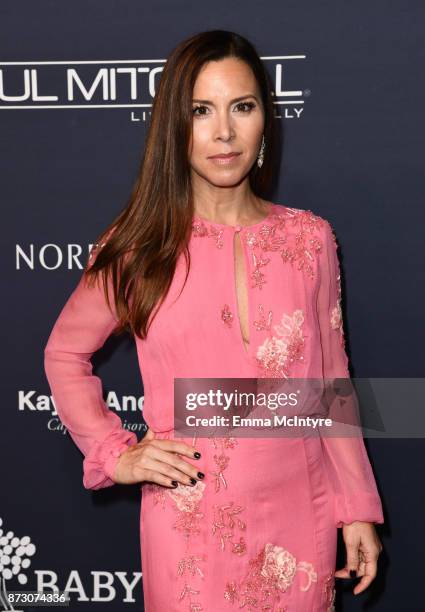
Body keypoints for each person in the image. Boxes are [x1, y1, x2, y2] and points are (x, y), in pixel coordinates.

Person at [44, 30, 384, 611]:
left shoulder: (309, 238)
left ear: (265, 123)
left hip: (301, 519)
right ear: (174, 126)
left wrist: (355, 506)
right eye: (201, 111)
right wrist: (114, 452)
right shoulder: (137, 249)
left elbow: (331, 385)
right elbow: (63, 355)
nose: (223, 133)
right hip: (190, 529)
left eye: (242, 107)